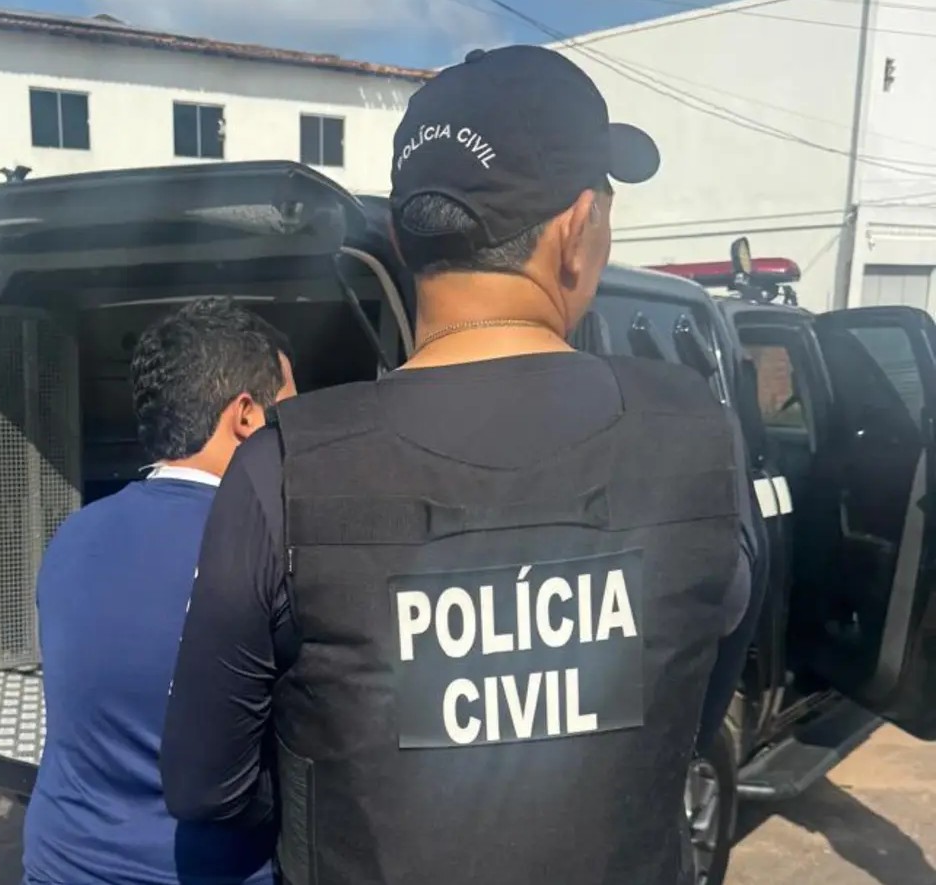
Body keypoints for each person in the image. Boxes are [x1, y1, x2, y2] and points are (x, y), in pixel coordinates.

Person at [160, 45, 763, 885]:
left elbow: (205, 784)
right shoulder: (701, 436)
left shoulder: (282, 467)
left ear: (402, 237)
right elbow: (694, 709)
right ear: (577, 230)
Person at [22, 297, 297, 885]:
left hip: (62, 864)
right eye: (291, 410)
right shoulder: (273, 551)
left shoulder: (76, 534)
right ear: (246, 417)